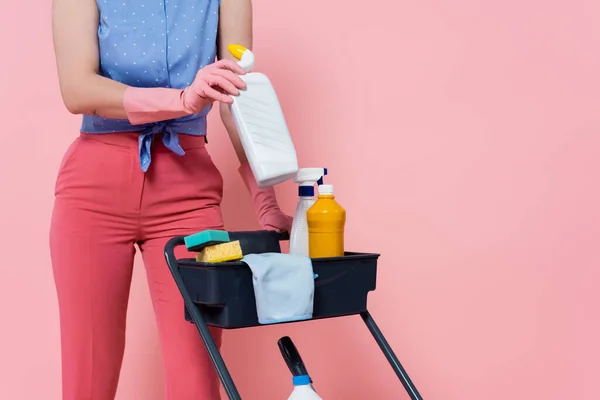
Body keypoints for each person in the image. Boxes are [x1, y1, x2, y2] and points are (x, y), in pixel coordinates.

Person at [50, 0, 292, 398]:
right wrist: (181, 100)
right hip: (93, 189)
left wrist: (265, 202)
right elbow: (77, 89)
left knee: (197, 377)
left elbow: (237, 99)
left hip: (188, 192)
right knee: (87, 375)